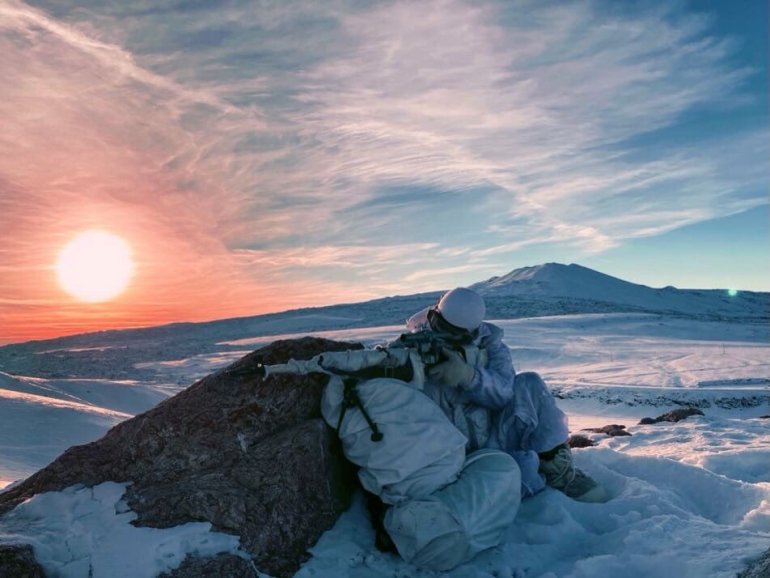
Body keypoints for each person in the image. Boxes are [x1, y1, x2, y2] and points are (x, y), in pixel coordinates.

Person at [400, 286, 607, 502]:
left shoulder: (489, 345)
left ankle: (555, 466)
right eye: (440, 324)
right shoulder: (412, 344)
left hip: (490, 435)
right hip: (445, 448)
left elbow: (504, 392)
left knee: (529, 383)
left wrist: (469, 376)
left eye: (454, 334)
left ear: (471, 332)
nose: (443, 334)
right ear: (435, 313)